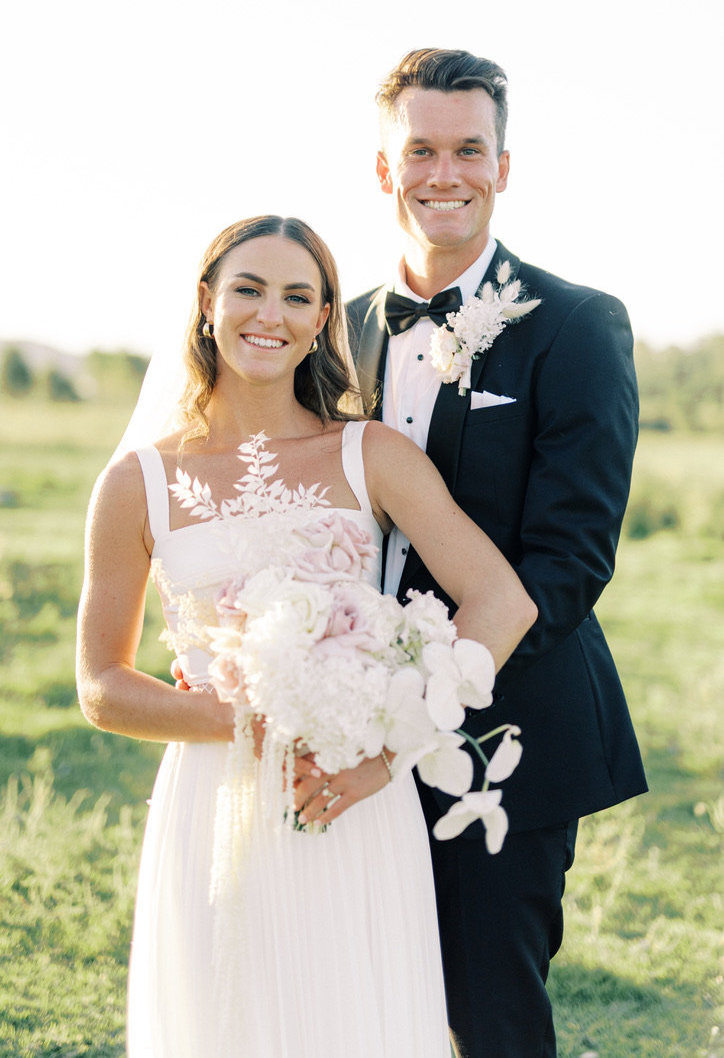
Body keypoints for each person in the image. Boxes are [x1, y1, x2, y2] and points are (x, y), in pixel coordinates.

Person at [76, 214, 537, 1058]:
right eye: (248, 288)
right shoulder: (136, 482)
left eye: (298, 295)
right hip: (217, 799)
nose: (270, 314)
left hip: (355, 796)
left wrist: (392, 744)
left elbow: (502, 603)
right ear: (207, 302)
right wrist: (244, 720)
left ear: (323, 318)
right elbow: (101, 686)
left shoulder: (372, 454)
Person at [346, 48, 648, 1058]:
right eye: (420, 150)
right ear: (384, 169)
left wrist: (426, 696)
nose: (446, 173)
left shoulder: (575, 325)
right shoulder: (329, 331)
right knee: (364, 994)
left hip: (502, 730)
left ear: (503, 166)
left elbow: (568, 561)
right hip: (341, 719)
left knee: (491, 1014)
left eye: (468, 149)